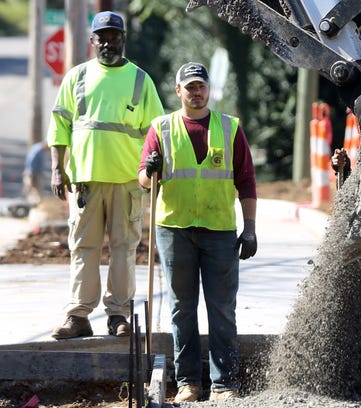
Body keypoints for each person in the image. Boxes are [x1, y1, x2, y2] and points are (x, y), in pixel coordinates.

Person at [138, 62, 257, 402]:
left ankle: (224, 384)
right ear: (178, 91)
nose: (195, 91)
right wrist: (149, 170)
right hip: (175, 230)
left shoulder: (229, 127)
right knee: (182, 308)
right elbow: (145, 182)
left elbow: (246, 180)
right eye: (189, 86)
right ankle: (189, 382)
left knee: (221, 307)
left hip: (219, 230)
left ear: (208, 89)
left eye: (200, 86)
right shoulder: (161, 128)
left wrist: (250, 229)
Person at [47, 11, 164, 340]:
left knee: (124, 249)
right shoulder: (77, 77)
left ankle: (118, 315)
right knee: (83, 248)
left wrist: (154, 171)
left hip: (128, 181)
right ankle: (78, 315)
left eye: (114, 36)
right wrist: (58, 169)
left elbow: (156, 132)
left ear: (123, 39)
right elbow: (60, 126)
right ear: (92, 41)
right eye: (102, 37)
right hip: (85, 181)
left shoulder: (141, 80)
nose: (108, 42)